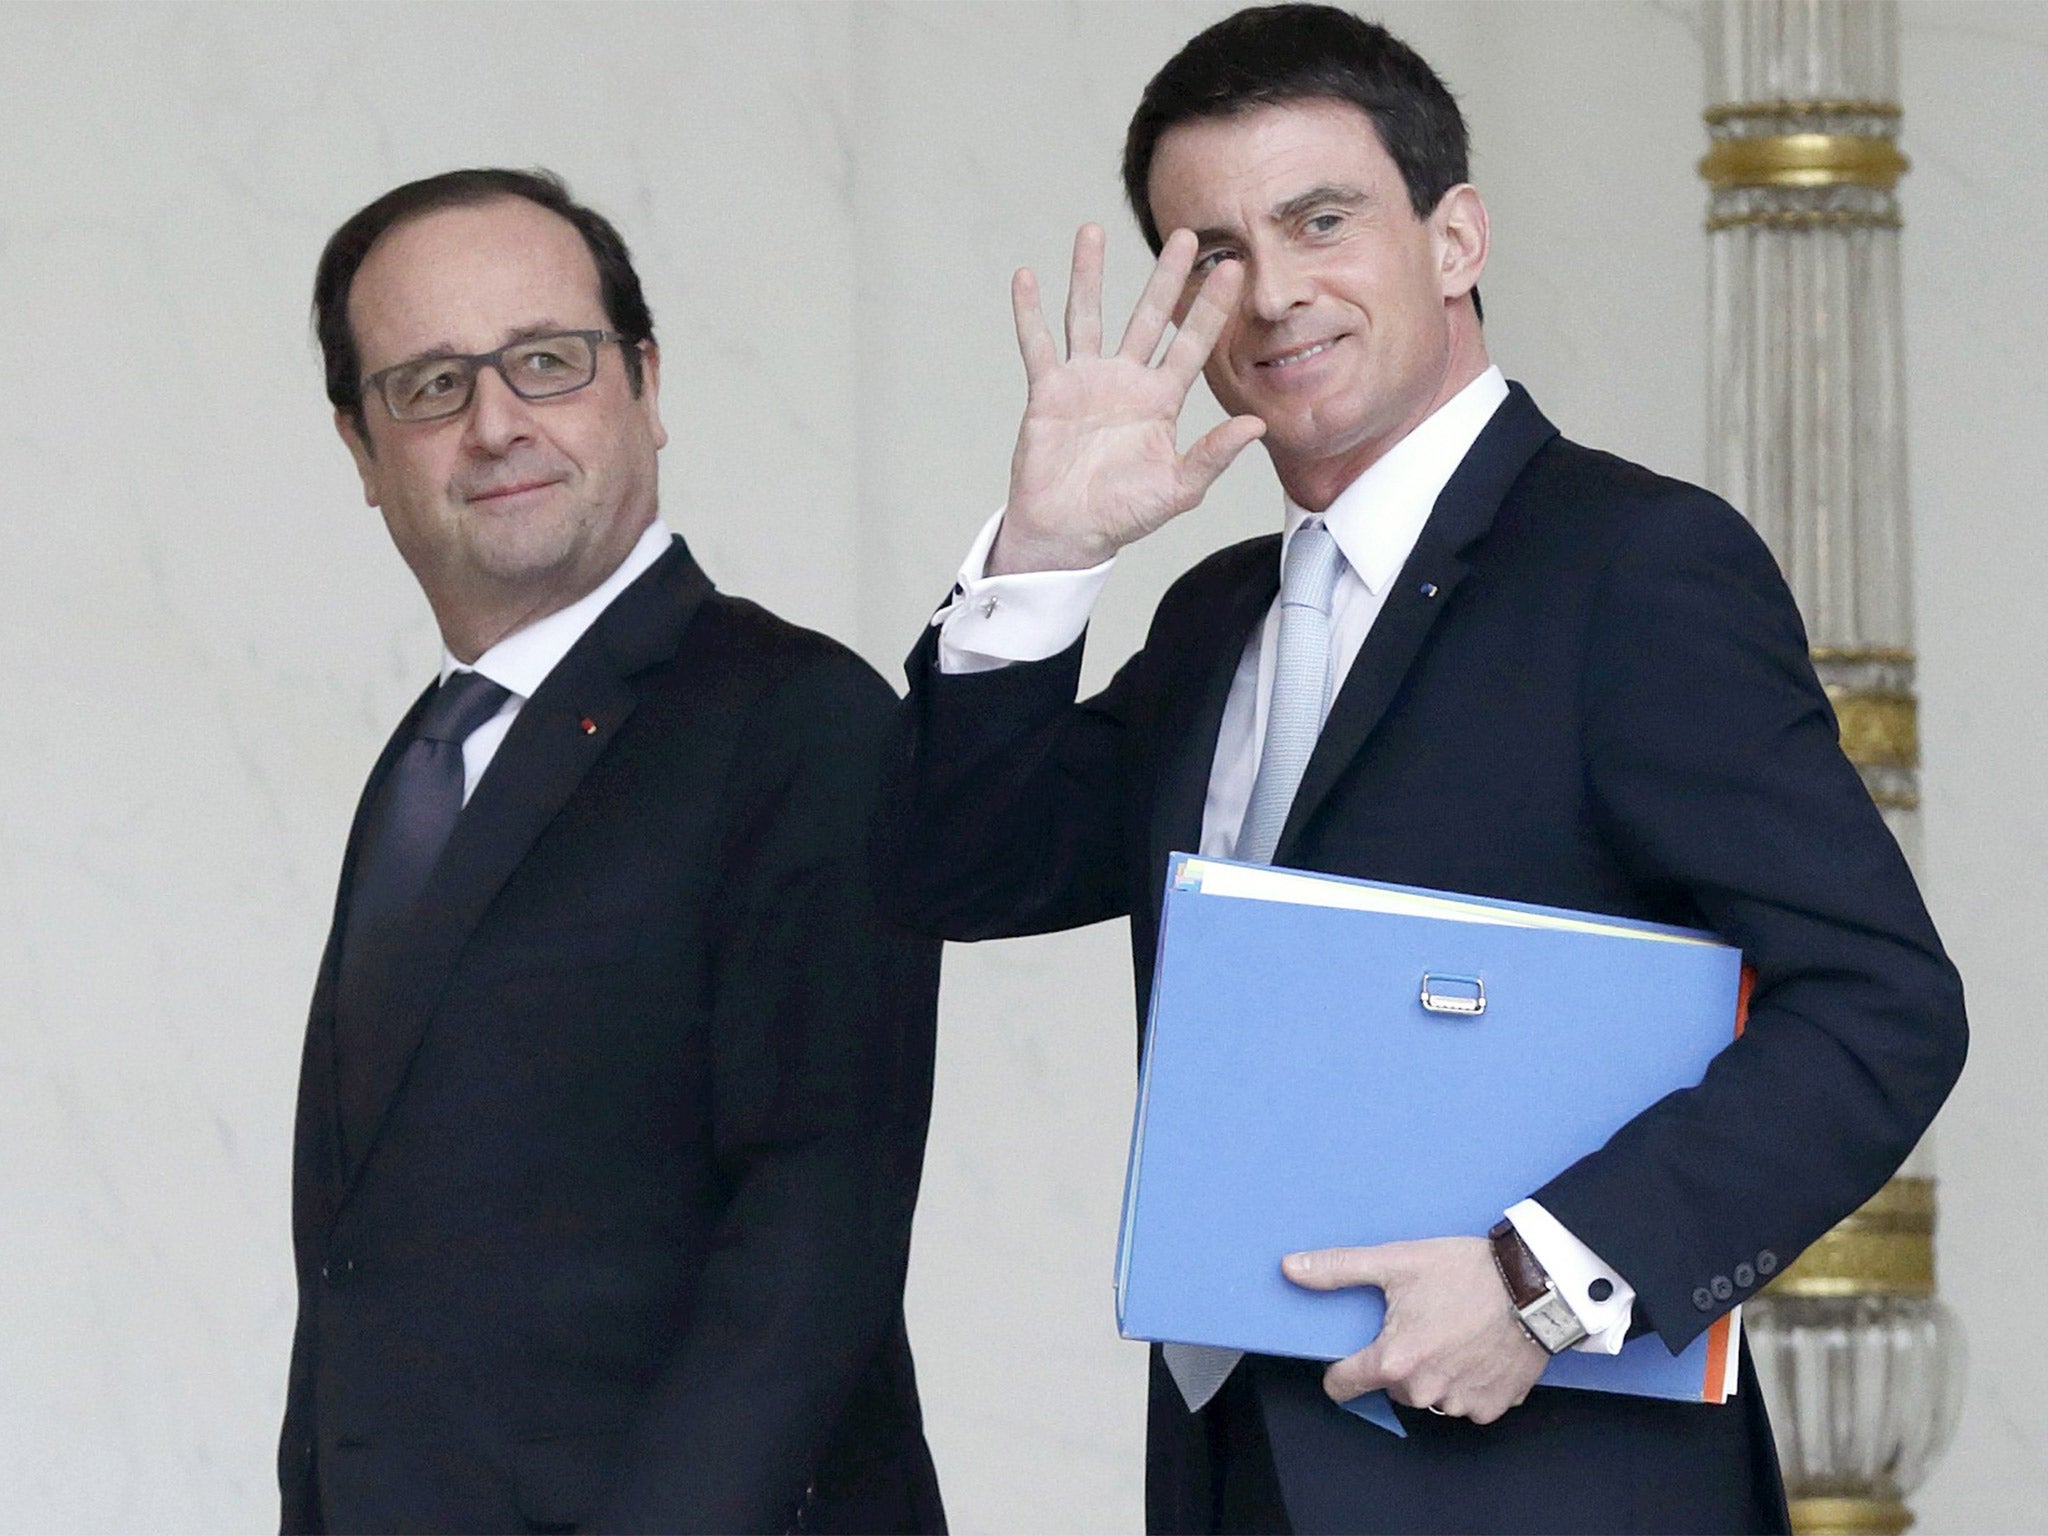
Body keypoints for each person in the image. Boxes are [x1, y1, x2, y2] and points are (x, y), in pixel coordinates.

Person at [873, 7, 1965, 1533]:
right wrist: (1043, 556)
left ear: (1454, 237)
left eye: (1321, 221)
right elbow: (960, 867)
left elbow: (1882, 1008)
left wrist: (1544, 1280)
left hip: (1557, 1481)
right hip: (1238, 1469)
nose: (1272, 293)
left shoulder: (1636, 567)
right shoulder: (1215, 617)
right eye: (1211, 254)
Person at [279, 167, 945, 1535]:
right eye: (429, 387)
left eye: (545, 361)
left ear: (644, 382)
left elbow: (814, 1236)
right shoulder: (429, 760)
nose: (496, 425)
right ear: (360, 448)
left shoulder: (795, 719)